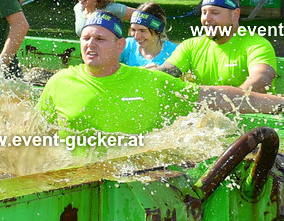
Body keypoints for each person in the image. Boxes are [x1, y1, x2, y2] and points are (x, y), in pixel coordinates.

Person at [39, 11, 284, 135]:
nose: (91, 44)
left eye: (100, 39)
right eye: (86, 38)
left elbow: (216, 96)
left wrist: (280, 104)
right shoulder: (60, 81)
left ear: (121, 46)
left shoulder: (151, 82)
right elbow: (38, 132)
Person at [156, 0, 276, 92]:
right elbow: (166, 73)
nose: (207, 18)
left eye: (215, 12)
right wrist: (150, 74)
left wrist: (228, 100)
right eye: (204, 12)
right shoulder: (191, 45)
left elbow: (262, 80)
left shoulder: (256, 45)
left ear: (235, 15)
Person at [119, 2, 177, 66]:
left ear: (157, 31)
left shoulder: (174, 52)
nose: (136, 36)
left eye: (143, 31)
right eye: (133, 30)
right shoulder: (127, 46)